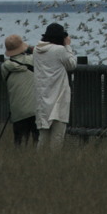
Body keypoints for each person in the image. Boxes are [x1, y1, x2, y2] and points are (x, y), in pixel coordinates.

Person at [33, 22, 76, 151]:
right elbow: (72, 64)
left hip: (42, 95)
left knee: (43, 135)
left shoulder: (36, 49)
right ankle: (53, 161)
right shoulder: (59, 50)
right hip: (59, 95)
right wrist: (68, 46)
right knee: (57, 135)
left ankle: (40, 161)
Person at [1, 34, 38, 147]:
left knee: (19, 141)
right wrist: (31, 49)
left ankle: (18, 158)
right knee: (37, 140)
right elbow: (41, 55)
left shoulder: (4, 66)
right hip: (34, 108)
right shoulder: (32, 60)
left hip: (17, 110)